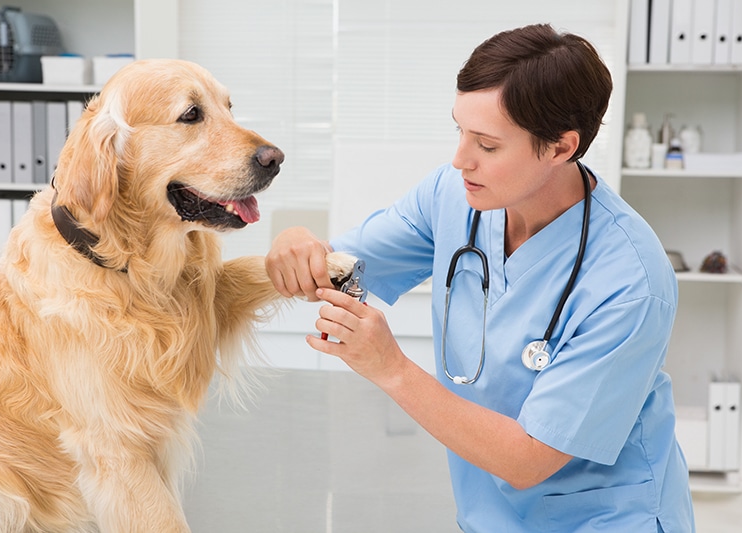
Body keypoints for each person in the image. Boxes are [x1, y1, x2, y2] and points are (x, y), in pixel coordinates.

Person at [265, 23, 694, 532]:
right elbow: (337, 265)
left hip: (607, 520)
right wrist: (297, 241)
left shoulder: (630, 282)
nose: (460, 159)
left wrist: (392, 368)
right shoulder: (453, 196)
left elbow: (528, 459)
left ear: (560, 147)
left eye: (487, 145)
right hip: (489, 517)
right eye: (459, 131)